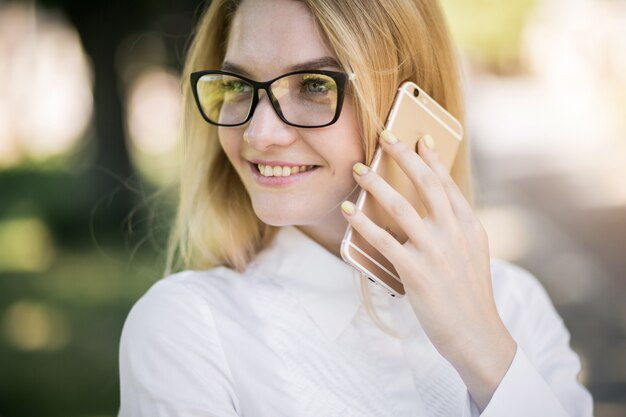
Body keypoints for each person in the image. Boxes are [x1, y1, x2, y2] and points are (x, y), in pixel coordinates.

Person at [117, 0, 595, 416]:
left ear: (412, 99)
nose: (259, 135)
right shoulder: (189, 330)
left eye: (314, 85)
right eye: (239, 86)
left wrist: (487, 355)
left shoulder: (515, 304)